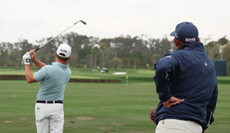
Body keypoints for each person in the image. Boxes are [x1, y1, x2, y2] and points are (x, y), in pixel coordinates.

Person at [153, 22, 218, 133]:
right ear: (198, 40)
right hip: (197, 126)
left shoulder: (177, 56)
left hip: (171, 124)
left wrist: (165, 97)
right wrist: (203, 125)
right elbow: (212, 100)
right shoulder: (209, 64)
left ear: (176, 41)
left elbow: (162, 68)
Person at [22, 44, 72, 133]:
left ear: (56, 53)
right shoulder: (68, 71)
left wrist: (27, 61)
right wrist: (34, 59)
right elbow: (47, 69)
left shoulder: (48, 70)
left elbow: (30, 79)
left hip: (42, 106)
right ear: (68, 58)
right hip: (57, 107)